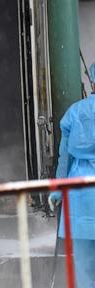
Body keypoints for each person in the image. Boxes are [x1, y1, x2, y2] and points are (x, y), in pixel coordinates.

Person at [49, 89, 95, 287]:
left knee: (84, 263)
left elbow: (65, 158)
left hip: (80, 193)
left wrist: (58, 190)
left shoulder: (75, 112)